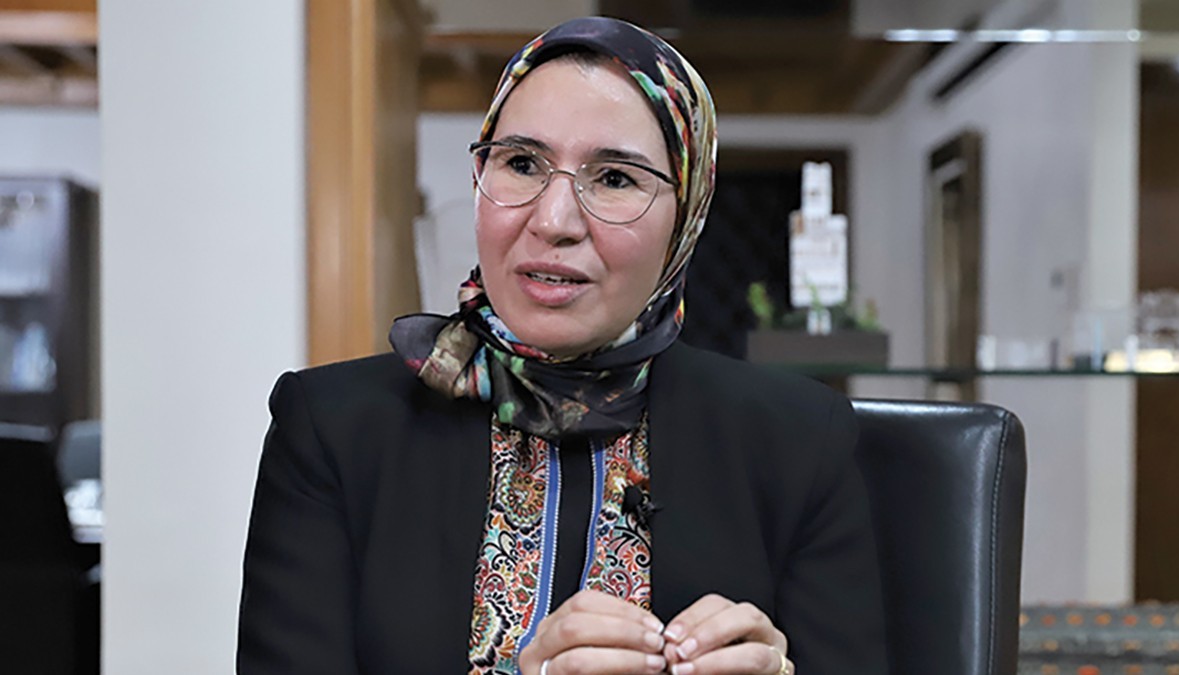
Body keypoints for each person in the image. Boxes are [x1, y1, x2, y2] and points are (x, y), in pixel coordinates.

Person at [238, 16, 885, 675]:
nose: (553, 221)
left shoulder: (798, 441)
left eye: (615, 178)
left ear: (686, 214)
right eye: (521, 164)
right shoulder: (332, 429)